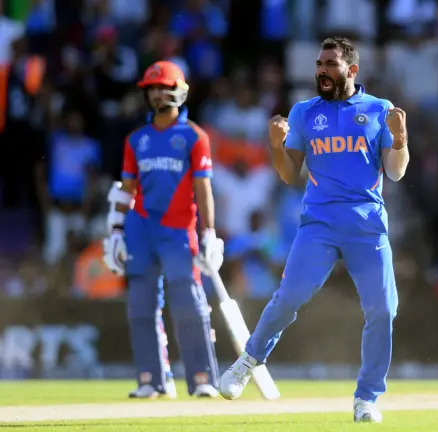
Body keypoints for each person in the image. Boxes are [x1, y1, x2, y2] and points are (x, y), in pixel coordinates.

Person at [220, 37, 410, 423]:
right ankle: (249, 360)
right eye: (319, 64)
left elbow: (395, 171)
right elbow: (290, 175)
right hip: (319, 224)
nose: (322, 70)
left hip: (366, 225)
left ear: (352, 70)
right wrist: (276, 146)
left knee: (383, 308)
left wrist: (401, 140)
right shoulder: (304, 112)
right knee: (289, 297)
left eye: (330, 64)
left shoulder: (379, 109)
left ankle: (367, 398)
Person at [102, 61, 225, 398]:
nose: (157, 93)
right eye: (152, 89)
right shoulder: (136, 139)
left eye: (164, 87)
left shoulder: (194, 137)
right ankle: (152, 379)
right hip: (140, 229)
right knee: (140, 306)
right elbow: (126, 189)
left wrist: (209, 232)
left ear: (179, 91)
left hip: (177, 229)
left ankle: (202, 379)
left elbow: (204, 190)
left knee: (188, 303)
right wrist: (115, 231)